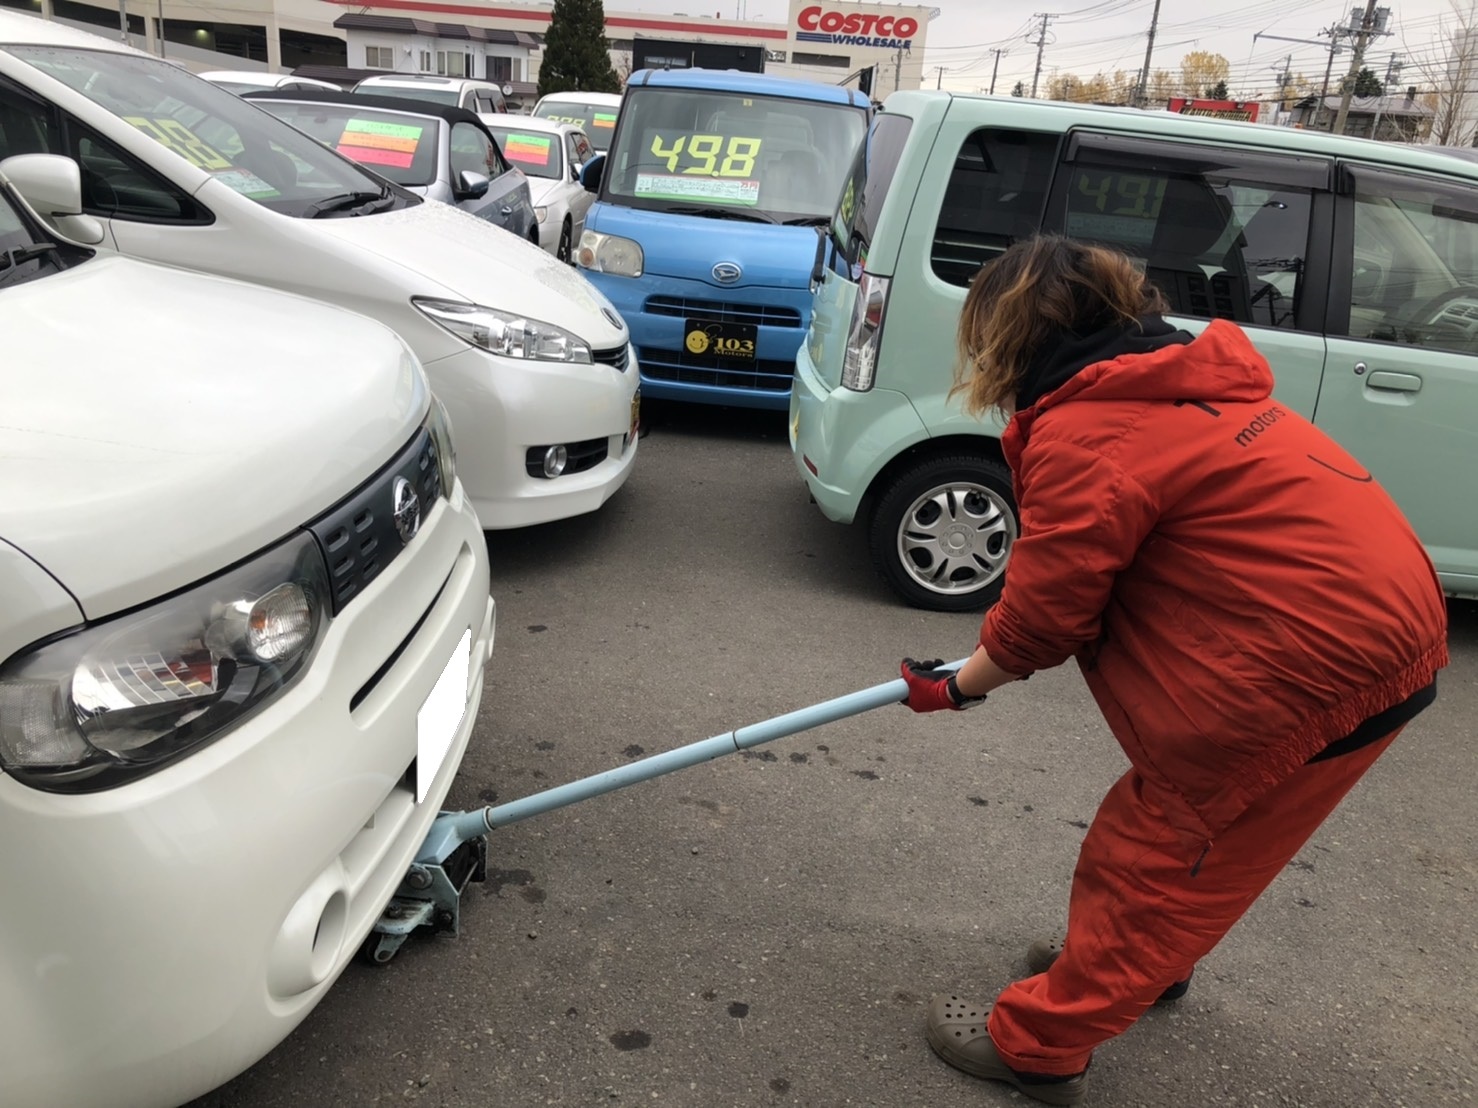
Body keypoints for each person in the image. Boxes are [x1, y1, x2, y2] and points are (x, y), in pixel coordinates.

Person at [898, 235, 1449, 1107]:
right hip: (1372, 626)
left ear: (1010, 337)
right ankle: (1137, 970)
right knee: (1195, 844)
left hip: (1317, 665)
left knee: (1164, 851)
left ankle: (1040, 1047)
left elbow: (1043, 617)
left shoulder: (1092, 427)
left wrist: (960, 684)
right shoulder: (1178, 379)